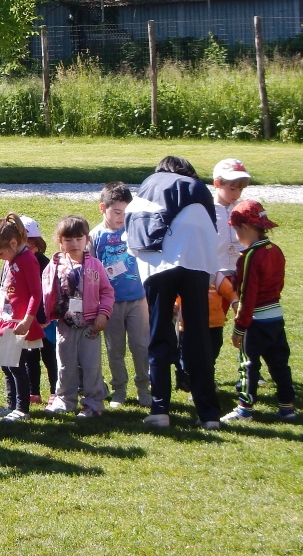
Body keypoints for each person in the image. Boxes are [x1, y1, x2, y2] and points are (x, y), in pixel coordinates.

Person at [126, 156, 223, 429]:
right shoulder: (199, 188)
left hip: (157, 266)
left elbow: (134, 230)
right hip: (197, 264)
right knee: (199, 337)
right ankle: (208, 413)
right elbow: (211, 232)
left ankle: (160, 409)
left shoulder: (149, 184)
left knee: (159, 335)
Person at [221, 201, 296, 424]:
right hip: (276, 315)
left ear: (245, 227)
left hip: (255, 320)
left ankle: (244, 408)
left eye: (235, 230)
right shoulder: (275, 250)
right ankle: (287, 407)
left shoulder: (250, 256)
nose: (235, 235)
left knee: (249, 364)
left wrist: (239, 328)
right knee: (279, 363)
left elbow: (247, 295)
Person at [42, 215, 113, 418]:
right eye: (68, 239)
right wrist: (45, 314)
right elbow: (45, 290)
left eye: (78, 239)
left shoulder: (95, 266)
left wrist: (103, 314)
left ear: (86, 240)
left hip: (90, 324)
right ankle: (65, 400)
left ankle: (94, 403)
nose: (74, 244)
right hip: (65, 323)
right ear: (60, 241)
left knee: (91, 365)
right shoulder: (55, 265)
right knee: (65, 364)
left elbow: (107, 293)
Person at [91, 182, 152, 409]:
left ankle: (144, 388)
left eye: (126, 213)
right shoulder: (94, 236)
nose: (121, 217)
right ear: (102, 208)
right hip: (110, 304)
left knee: (141, 346)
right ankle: (119, 389)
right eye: (117, 212)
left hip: (138, 299)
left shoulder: (134, 230)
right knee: (115, 348)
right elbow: (90, 271)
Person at [0, 213, 44, 421]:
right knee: (6, 363)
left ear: (13, 242)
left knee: (16, 364)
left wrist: (28, 319)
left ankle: (22, 408)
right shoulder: (13, 258)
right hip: (7, 319)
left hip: (19, 322)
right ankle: (11, 404)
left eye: (0, 253)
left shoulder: (27, 260)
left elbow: (37, 293)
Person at [22, 216, 57, 402]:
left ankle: (54, 390)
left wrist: (47, 317)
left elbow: (51, 291)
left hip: (46, 320)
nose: (28, 249)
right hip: (28, 319)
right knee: (30, 356)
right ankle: (33, 391)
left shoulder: (45, 264)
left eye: (31, 244)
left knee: (50, 355)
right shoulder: (16, 264)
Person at [213, 159, 251, 280]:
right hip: (215, 271)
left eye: (240, 189)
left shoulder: (242, 209)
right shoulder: (208, 209)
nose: (237, 194)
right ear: (217, 184)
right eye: (233, 189)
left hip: (238, 269)